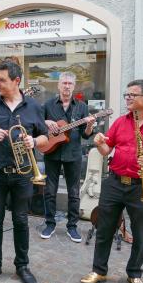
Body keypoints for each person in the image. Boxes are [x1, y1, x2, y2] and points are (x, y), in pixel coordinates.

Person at [80, 79, 143, 283]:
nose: (128, 98)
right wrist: (99, 141)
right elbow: (106, 150)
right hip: (114, 182)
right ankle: (99, 271)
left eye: (132, 95)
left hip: (140, 186)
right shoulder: (121, 122)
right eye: (127, 95)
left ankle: (134, 273)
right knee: (104, 229)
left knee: (140, 233)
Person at [0, 61, 48, 283]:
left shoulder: (34, 107)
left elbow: (44, 139)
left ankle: (22, 266)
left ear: (17, 81)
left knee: (21, 220)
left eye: (2, 80)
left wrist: (33, 140)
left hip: (23, 173)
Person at [41, 72, 96, 242]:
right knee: (50, 191)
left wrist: (89, 125)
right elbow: (36, 125)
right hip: (52, 152)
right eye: (63, 83)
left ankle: (72, 227)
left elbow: (86, 135)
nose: (66, 86)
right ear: (58, 85)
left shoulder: (81, 107)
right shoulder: (48, 105)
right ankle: (49, 223)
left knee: (74, 192)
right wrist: (45, 122)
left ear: (74, 86)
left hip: (73, 154)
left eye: (69, 84)